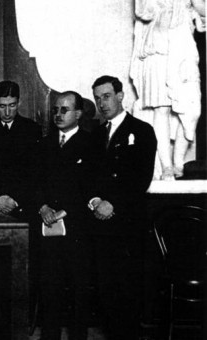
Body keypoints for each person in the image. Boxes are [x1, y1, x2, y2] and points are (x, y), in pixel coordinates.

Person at [88, 75, 157, 339]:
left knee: (127, 291)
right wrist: (95, 201)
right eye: (97, 98)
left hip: (127, 225)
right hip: (100, 224)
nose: (102, 103)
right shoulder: (96, 135)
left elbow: (141, 178)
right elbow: (87, 178)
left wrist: (112, 203)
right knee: (105, 290)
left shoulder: (141, 131)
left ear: (120, 96)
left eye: (106, 96)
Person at [35, 91, 94, 340]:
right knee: (50, 290)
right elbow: (33, 182)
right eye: (55, 110)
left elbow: (91, 187)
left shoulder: (91, 144)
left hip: (78, 229)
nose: (58, 115)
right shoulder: (44, 144)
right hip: (47, 227)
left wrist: (64, 210)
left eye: (64, 110)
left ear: (78, 114)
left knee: (79, 292)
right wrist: (43, 207)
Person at [130, 0, 205, 180]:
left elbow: (203, 10)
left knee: (192, 109)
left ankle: (178, 160)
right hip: (158, 49)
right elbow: (143, 12)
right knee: (161, 109)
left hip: (183, 50)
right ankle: (168, 166)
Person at [0, 80, 41, 218]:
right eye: (2, 106)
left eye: (12, 105)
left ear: (19, 102)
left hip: (23, 205)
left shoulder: (32, 129)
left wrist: (15, 200)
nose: (7, 112)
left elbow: (35, 172)